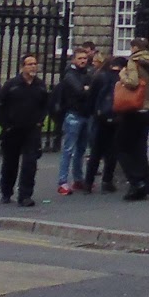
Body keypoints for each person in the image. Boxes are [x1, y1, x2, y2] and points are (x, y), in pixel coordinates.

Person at [0, 53, 52, 207]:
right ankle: (6, 192)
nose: (33, 67)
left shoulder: (40, 85)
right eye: (30, 64)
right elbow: (0, 105)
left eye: (35, 64)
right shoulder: (12, 85)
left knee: (30, 162)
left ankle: (25, 195)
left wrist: (40, 121)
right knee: (10, 163)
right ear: (22, 67)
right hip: (13, 129)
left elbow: (45, 105)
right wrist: (6, 125)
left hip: (31, 130)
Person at [115, 39, 149, 201]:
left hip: (134, 109)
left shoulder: (133, 62)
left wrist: (122, 75)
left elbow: (133, 82)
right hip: (148, 109)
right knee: (140, 149)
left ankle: (136, 182)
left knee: (122, 147)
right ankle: (144, 184)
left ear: (135, 48)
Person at [52, 44, 96, 195]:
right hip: (73, 114)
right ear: (74, 60)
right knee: (68, 149)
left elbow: (92, 89)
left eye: (85, 58)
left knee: (81, 149)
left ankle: (78, 179)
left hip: (86, 114)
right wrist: (87, 89)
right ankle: (62, 181)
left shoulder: (88, 73)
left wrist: (87, 88)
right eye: (80, 58)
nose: (83, 61)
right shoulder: (70, 74)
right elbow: (79, 91)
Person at [83, 53, 121, 194]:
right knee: (112, 151)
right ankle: (107, 181)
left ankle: (89, 182)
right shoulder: (120, 78)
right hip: (116, 117)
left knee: (96, 151)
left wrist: (92, 112)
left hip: (100, 117)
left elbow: (91, 98)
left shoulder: (99, 77)